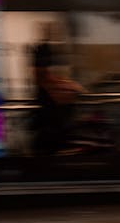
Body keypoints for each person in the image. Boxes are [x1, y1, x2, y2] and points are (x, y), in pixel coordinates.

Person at [31, 22, 84, 156]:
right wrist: (68, 85)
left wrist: (65, 84)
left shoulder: (48, 49)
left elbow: (44, 76)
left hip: (49, 105)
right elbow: (42, 76)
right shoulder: (43, 49)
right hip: (48, 105)